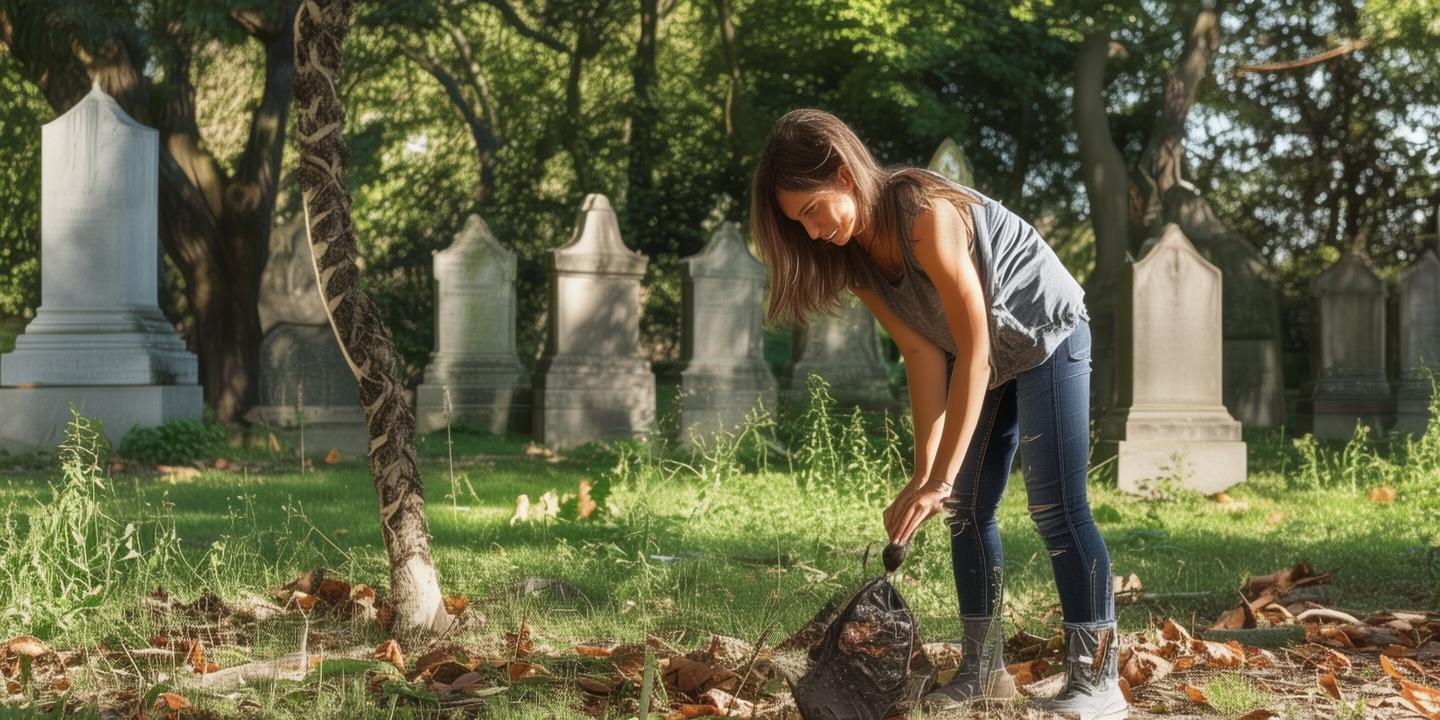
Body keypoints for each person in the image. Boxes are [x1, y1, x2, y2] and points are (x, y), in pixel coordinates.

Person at [750, 108, 1126, 720]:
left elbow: (975, 349)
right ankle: (983, 673)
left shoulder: (925, 213)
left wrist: (941, 477)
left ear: (844, 174)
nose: (813, 232)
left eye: (813, 210)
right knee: (964, 510)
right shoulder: (854, 257)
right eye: (800, 223)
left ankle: (1097, 681)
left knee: (1056, 507)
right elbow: (923, 352)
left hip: (1044, 333)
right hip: (982, 356)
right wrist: (926, 475)